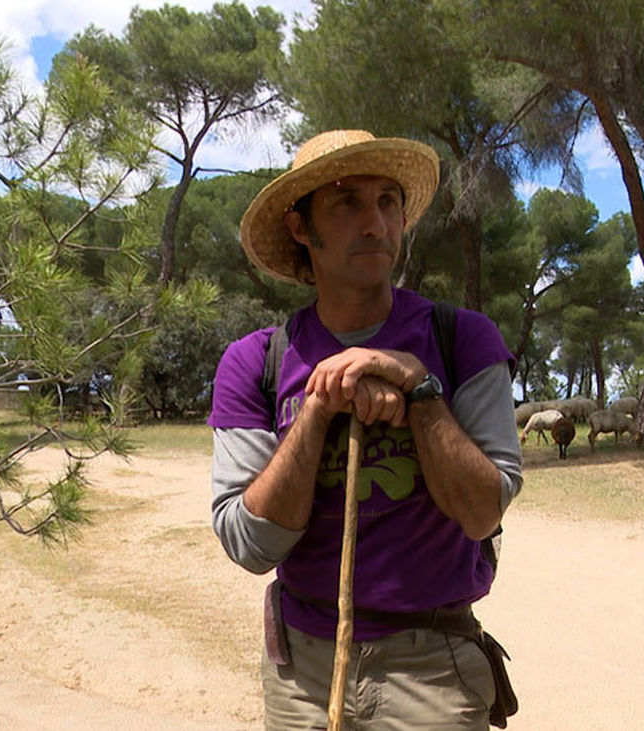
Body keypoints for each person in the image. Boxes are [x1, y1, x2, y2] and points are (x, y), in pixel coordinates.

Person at [207, 129, 523, 729]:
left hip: (433, 668)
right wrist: (318, 409)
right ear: (302, 228)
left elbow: (484, 512)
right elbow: (248, 545)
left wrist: (420, 390)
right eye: (347, 202)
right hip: (302, 674)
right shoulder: (255, 363)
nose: (375, 223)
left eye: (388, 202)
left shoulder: (465, 340)